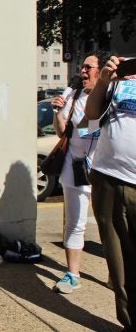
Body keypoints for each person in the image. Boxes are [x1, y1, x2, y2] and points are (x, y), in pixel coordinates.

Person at [49, 51, 110, 294]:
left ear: (102, 71)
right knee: (75, 224)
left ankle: (114, 275)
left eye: (88, 67)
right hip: (74, 169)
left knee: (111, 225)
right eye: (82, 67)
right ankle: (73, 274)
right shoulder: (71, 94)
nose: (82, 71)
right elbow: (61, 131)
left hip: (106, 170)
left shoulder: (110, 97)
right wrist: (57, 113)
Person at [85, 55, 136, 331]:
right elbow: (92, 114)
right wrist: (104, 80)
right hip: (108, 178)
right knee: (120, 269)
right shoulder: (119, 70)